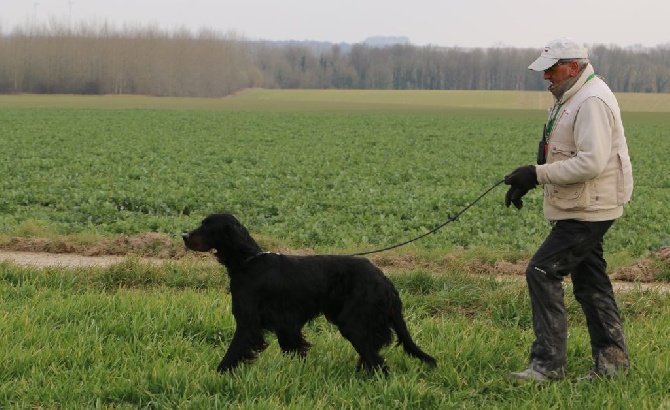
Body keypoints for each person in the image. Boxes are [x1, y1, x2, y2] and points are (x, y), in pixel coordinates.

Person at [504, 37, 634, 382]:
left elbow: (591, 163)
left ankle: (547, 366)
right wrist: (531, 178)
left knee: (543, 271)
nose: (546, 76)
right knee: (591, 284)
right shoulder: (573, 95)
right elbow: (562, 149)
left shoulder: (590, 100)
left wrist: (537, 174)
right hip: (586, 204)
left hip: (589, 207)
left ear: (573, 66)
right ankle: (613, 367)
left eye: (552, 69)